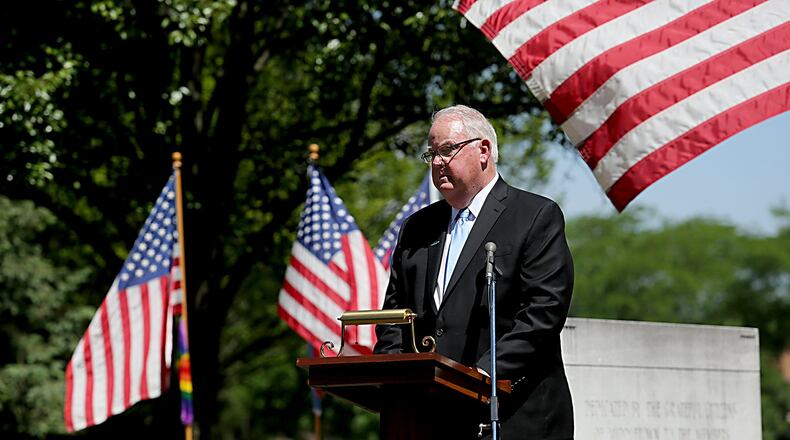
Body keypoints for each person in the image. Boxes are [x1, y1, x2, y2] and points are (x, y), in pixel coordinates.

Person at [374, 105, 575, 439]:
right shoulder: (418, 228)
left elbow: (544, 311)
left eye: (447, 151)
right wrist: (393, 379)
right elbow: (395, 317)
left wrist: (482, 374)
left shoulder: (535, 216)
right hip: (426, 418)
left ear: (483, 151)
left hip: (511, 414)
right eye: (431, 154)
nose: (437, 163)